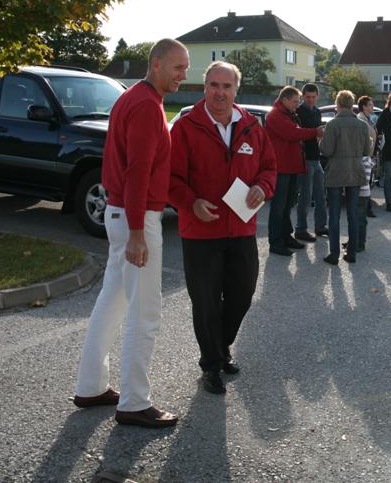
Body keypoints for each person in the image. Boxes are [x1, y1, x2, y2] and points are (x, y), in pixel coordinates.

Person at [74, 38, 189, 428]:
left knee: (114, 299)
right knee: (145, 311)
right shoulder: (144, 105)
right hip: (136, 218)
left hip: (121, 214)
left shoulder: (136, 98)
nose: (183, 74)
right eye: (177, 66)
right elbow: (137, 172)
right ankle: (135, 402)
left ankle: (91, 386)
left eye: (186, 67)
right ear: (155, 64)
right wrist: (139, 233)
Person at [169, 61, 276, 395]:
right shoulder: (185, 127)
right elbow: (170, 178)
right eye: (213, 85)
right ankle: (211, 364)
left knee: (242, 294)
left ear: (235, 90)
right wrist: (191, 203)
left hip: (242, 228)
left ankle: (221, 345)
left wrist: (262, 187)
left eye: (226, 86)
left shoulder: (251, 125)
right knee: (205, 301)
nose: (219, 92)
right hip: (201, 231)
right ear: (204, 88)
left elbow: (270, 167)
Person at [265, 86, 322, 257]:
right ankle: (276, 242)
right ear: (285, 100)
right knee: (278, 206)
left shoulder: (288, 114)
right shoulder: (275, 115)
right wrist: (315, 132)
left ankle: (285, 236)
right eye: (296, 101)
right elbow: (292, 133)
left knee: (287, 205)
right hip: (282, 167)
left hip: (290, 166)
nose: (298, 104)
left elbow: (294, 133)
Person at [320, 90, 372, 264]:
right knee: (353, 214)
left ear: (338, 104)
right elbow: (367, 151)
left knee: (334, 214)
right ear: (352, 105)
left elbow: (326, 150)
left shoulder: (333, 124)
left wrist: (321, 140)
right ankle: (352, 253)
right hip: (355, 171)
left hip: (336, 172)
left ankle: (334, 254)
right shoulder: (362, 125)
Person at [294, 84, 327, 242]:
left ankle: (320, 227)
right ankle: (301, 229)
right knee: (305, 197)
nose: (311, 100)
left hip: (316, 157)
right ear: (303, 96)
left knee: (321, 195)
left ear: (317, 96)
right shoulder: (298, 112)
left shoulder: (317, 111)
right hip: (304, 158)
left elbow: (317, 134)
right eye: (308, 97)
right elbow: (298, 134)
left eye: (313, 97)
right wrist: (315, 133)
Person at [356, 96, 378, 216]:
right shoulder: (360, 119)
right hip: (363, 156)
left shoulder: (369, 119)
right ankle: (366, 209)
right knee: (364, 184)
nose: (372, 106)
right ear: (364, 106)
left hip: (369, 155)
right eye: (370, 104)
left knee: (367, 183)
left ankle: (366, 208)